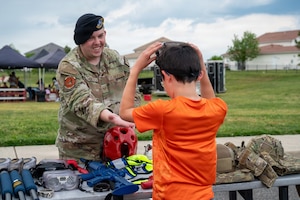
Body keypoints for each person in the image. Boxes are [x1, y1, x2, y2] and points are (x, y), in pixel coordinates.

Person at [120, 42, 228, 200]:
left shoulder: (163, 111)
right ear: (199, 75)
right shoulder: (218, 108)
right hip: (204, 195)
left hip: (171, 195)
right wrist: (200, 64)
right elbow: (209, 99)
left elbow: (124, 112)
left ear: (167, 77)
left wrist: (135, 70)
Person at [55, 13, 141, 162]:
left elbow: (133, 92)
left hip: (119, 144)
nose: (97, 42)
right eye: (90, 38)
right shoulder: (68, 66)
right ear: (80, 40)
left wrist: (131, 116)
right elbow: (82, 101)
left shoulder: (116, 59)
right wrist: (112, 117)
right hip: (80, 150)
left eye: (100, 36)